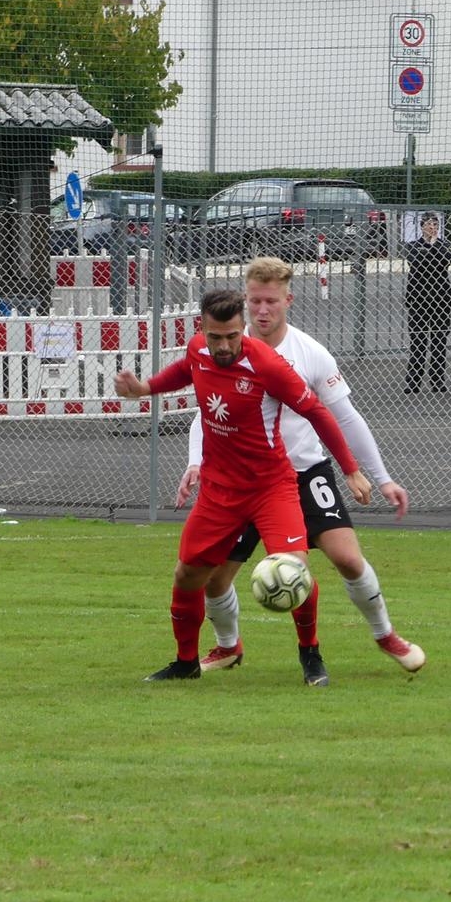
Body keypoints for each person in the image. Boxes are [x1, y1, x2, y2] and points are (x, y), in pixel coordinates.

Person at [176, 257, 424, 685]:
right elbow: (207, 410)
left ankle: (385, 636)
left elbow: (345, 417)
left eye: (271, 301)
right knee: (213, 580)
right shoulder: (223, 347)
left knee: (347, 558)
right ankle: (228, 645)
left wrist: (378, 476)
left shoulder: (310, 354)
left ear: (288, 300)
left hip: (305, 473)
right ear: (244, 301)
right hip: (239, 480)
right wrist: (195, 461)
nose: (262, 310)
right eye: (255, 301)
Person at [113, 290, 373, 682]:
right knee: (187, 575)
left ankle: (311, 655)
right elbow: (186, 370)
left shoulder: (268, 365)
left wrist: (351, 470)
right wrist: (143, 389)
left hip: (271, 488)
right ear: (203, 328)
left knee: (294, 571)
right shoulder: (199, 349)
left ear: (242, 328)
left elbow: (317, 412)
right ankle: (186, 663)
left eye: (232, 336)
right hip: (219, 490)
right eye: (215, 337)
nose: (223, 346)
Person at [402, 212, 451, 393]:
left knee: (439, 341)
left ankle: (437, 379)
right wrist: (433, 256)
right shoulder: (412, 246)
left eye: (435, 225)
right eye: (429, 224)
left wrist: (433, 246)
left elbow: (447, 261)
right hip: (419, 299)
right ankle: (413, 381)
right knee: (418, 341)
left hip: (440, 299)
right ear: (422, 227)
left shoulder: (444, 245)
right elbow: (417, 263)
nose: (432, 228)